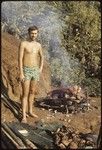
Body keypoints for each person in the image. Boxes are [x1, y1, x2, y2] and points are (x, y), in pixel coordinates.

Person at [18, 26, 44, 123]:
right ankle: (24, 116)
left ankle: (30, 111)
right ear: (28, 33)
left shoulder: (38, 45)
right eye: (32, 33)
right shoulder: (23, 44)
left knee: (32, 92)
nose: (34, 35)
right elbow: (20, 59)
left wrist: (40, 69)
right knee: (25, 93)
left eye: (35, 33)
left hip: (35, 70)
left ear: (37, 34)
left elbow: (42, 57)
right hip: (26, 70)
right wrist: (21, 73)